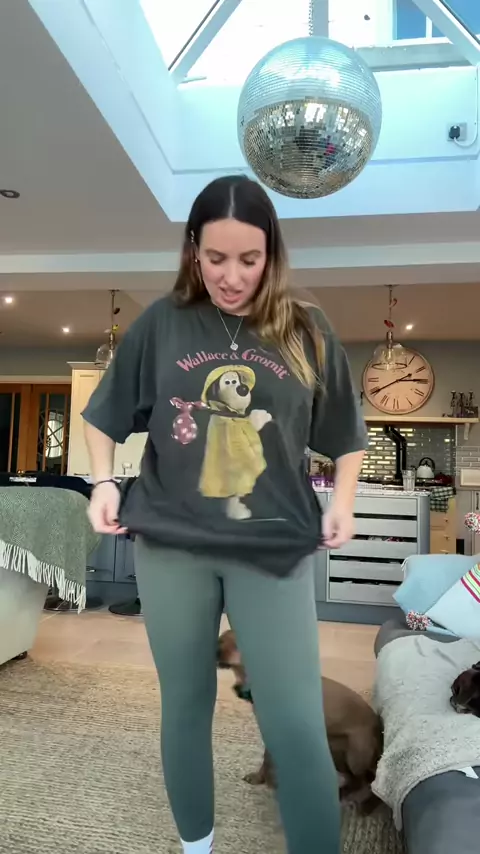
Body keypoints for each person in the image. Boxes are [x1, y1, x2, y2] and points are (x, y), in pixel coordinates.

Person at [83, 175, 366, 854]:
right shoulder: (162, 323)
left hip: (273, 546)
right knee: (186, 705)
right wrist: (102, 482)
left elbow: (346, 433)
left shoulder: (305, 328)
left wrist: (344, 502)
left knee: (293, 719)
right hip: (172, 543)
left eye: (249, 259)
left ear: (272, 254)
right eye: (215, 258)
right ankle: (197, 848)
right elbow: (103, 414)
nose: (231, 276)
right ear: (192, 251)